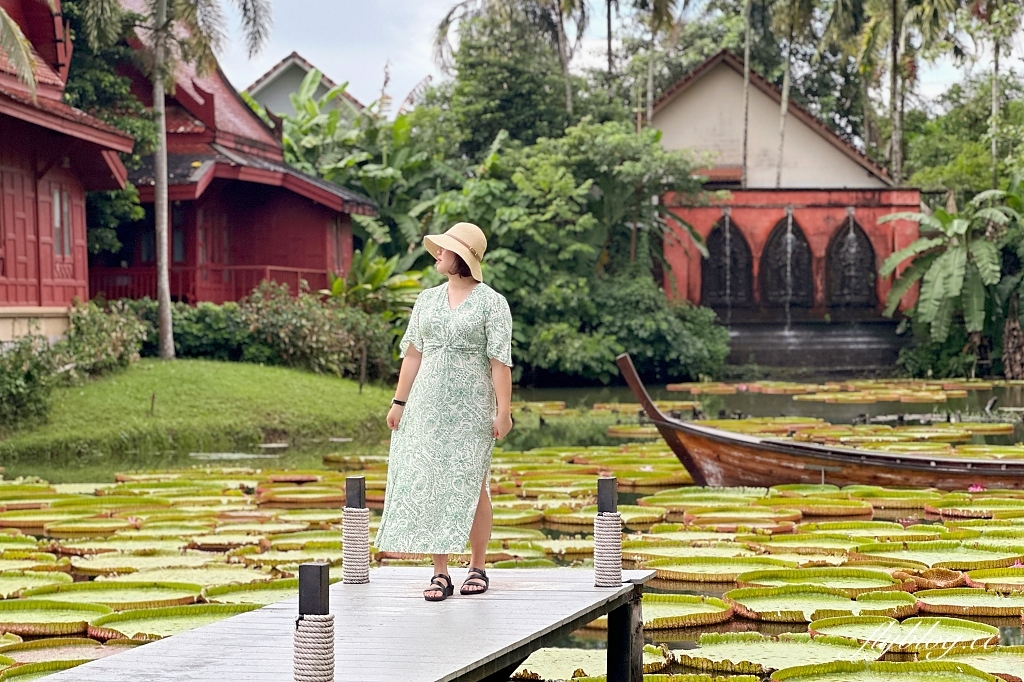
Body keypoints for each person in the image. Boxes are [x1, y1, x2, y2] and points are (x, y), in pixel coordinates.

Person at [374, 222, 514, 602]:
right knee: (434, 481)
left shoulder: (491, 302)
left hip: (472, 405)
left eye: (445, 249)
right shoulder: (426, 301)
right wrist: (398, 403)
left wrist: (504, 412)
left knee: (473, 482)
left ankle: (478, 566)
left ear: (463, 257)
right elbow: (413, 354)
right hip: (427, 404)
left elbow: (500, 362)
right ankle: (440, 572)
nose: (438, 253)